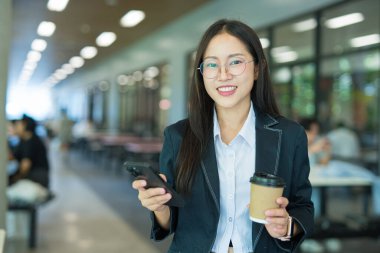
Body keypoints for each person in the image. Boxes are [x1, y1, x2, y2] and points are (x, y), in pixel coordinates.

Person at [132, 19, 314, 253]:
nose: (223, 75)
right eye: (211, 65)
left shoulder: (289, 135)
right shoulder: (178, 136)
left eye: (236, 62)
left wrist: (287, 226)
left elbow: (303, 207)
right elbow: (171, 221)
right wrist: (158, 207)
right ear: (201, 73)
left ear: (257, 68)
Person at [9, 114, 50, 189]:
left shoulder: (31, 141)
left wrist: (16, 178)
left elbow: (25, 166)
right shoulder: (23, 140)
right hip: (35, 175)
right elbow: (12, 156)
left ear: (25, 126)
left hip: (37, 178)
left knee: (9, 182)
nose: (14, 127)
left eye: (17, 126)